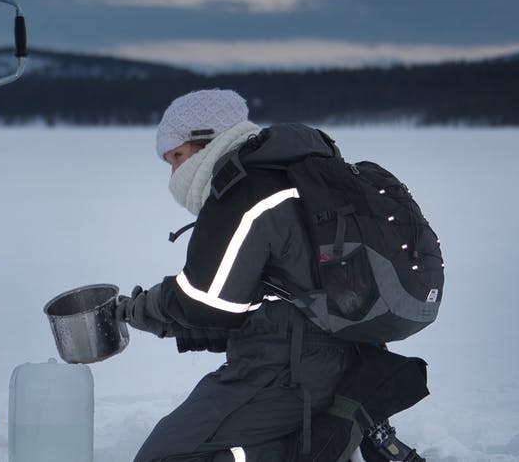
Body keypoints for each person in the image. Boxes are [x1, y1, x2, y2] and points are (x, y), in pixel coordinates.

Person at [116, 89, 355, 462]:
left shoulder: (243, 188)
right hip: (335, 357)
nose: (175, 172)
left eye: (177, 156)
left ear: (208, 141)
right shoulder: (289, 176)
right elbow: (255, 306)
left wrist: (140, 308)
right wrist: (161, 322)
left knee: (166, 455)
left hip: (289, 371)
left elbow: (207, 302)